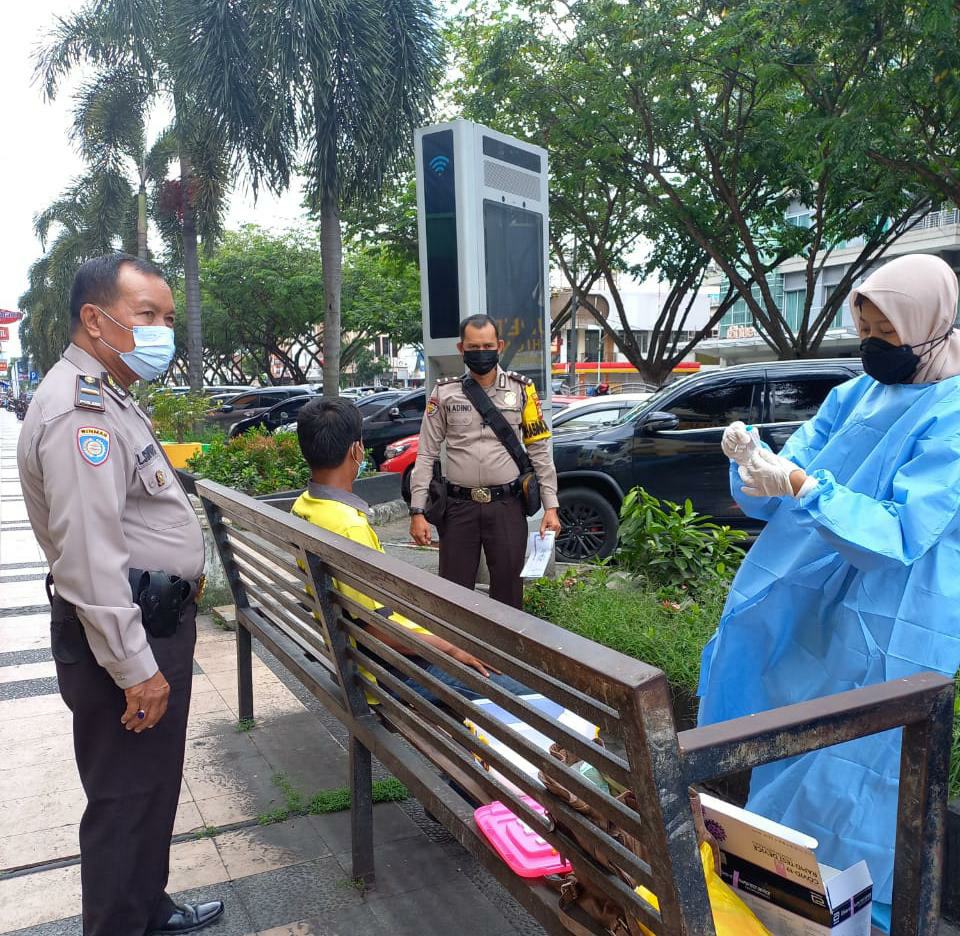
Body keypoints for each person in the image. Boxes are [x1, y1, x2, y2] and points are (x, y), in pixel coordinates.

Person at [698, 253, 960, 933]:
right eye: (865, 327)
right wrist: (755, 462)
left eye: (888, 331)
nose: (873, 343)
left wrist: (809, 490)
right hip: (807, 601)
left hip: (894, 621)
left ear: (932, 326)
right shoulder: (853, 395)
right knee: (774, 735)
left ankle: (848, 916)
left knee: (852, 779)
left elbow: (900, 535)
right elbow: (791, 475)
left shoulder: (955, 414)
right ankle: (770, 901)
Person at [17, 254, 223, 936]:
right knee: (125, 798)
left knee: (152, 787)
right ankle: (118, 924)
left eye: (167, 317)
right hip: (126, 633)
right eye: (148, 316)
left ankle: (148, 910)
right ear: (95, 319)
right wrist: (136, 669)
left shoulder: (108, 395)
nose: (162, 330)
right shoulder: (80, 414)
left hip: (148, 619)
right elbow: (88, 558)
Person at [292, 396, 529, 703]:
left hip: (357, 655)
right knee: (524, 694)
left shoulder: (305, 506)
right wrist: (452, 649)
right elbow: (377, 630)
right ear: (356, 450)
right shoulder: (347, 526)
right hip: (388, 672)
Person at [408, 314, 561, 609]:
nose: (481, 352)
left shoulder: (522, 391)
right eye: (474, 347)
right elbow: (426, 454)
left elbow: (540, 452)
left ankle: (501, 653)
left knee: (508, 591)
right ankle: (457, 653)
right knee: (453, 594)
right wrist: (417, 510)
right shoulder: (444, 393)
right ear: (461, 348)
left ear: (499, 345)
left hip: (506, 506)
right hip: (457, 508)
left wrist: (551, 507)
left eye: (488, 345)